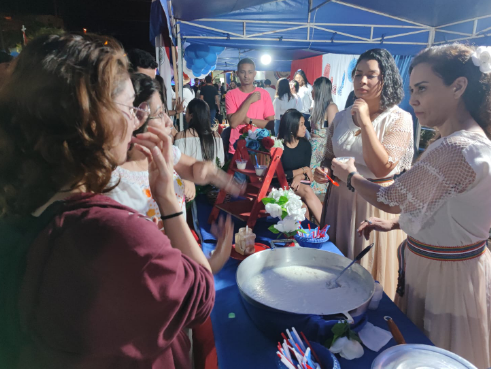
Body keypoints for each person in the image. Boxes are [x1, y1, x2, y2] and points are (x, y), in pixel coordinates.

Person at [0, 33, 225, 369]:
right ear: (92, 120)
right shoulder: (114, 231)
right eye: (130, 108)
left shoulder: (26, 205)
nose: (138, 120)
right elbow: (201, 299)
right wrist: (167, 199)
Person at [331, 43, 491, 368]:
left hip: (446, 278)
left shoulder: (456, 148)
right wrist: (394, 224)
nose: (414, 98)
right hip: (443, 266)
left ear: (458, 87)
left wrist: (350, 177)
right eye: (412, 89)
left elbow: (390, 198)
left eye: (422, 89)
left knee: (434, 350)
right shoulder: (461, 141)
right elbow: (446, 211)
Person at [313, 48, 413, 299]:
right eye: (358, 74)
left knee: (368, 277)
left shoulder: (399, 119)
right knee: (336, 271)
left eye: (371, 75)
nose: (362, 81)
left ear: (386, 79)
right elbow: (328, 156)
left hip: (374, 204)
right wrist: (323, 169)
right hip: (339, 202)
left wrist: (367, 120)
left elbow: (382, 168)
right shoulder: (342, 117)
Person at [278, 109, 322, 223]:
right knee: (303, 209)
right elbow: (279, 175)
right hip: (280, 185)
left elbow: (308, 175)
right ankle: (312, 234)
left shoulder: (305, 145)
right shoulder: (279, 146)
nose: (305, 128)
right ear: (292, 126)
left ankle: (326, 228)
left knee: (307, 190)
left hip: (298, 185)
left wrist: (299, 176)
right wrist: (302, 170)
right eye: (301, 125)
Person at [225, 58, 275, 154]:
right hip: (237, 148)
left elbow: (270, 124)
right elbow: (234, 123)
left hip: (260, 148)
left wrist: (248, 121)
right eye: (243, 72)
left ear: (254, 74)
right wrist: (249, 100)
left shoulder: (264, 94)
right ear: (237, 73)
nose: (246, 76)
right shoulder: (230, 94)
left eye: (250, 72)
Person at [309, 77, 339, 195]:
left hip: (322, 152)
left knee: (320, 184)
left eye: (314, 89)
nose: (312, 92)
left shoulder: (331, 107)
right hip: (313, 150)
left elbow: (333, 133)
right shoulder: (316, 107)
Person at [175, 98, 225, 166]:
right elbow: (220, 163)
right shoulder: (217, 136)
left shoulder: (181, 136)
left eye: (186, 112)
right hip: (210, 176)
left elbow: (177, 164)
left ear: (191, 116)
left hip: (187, 176)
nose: (185, 115)